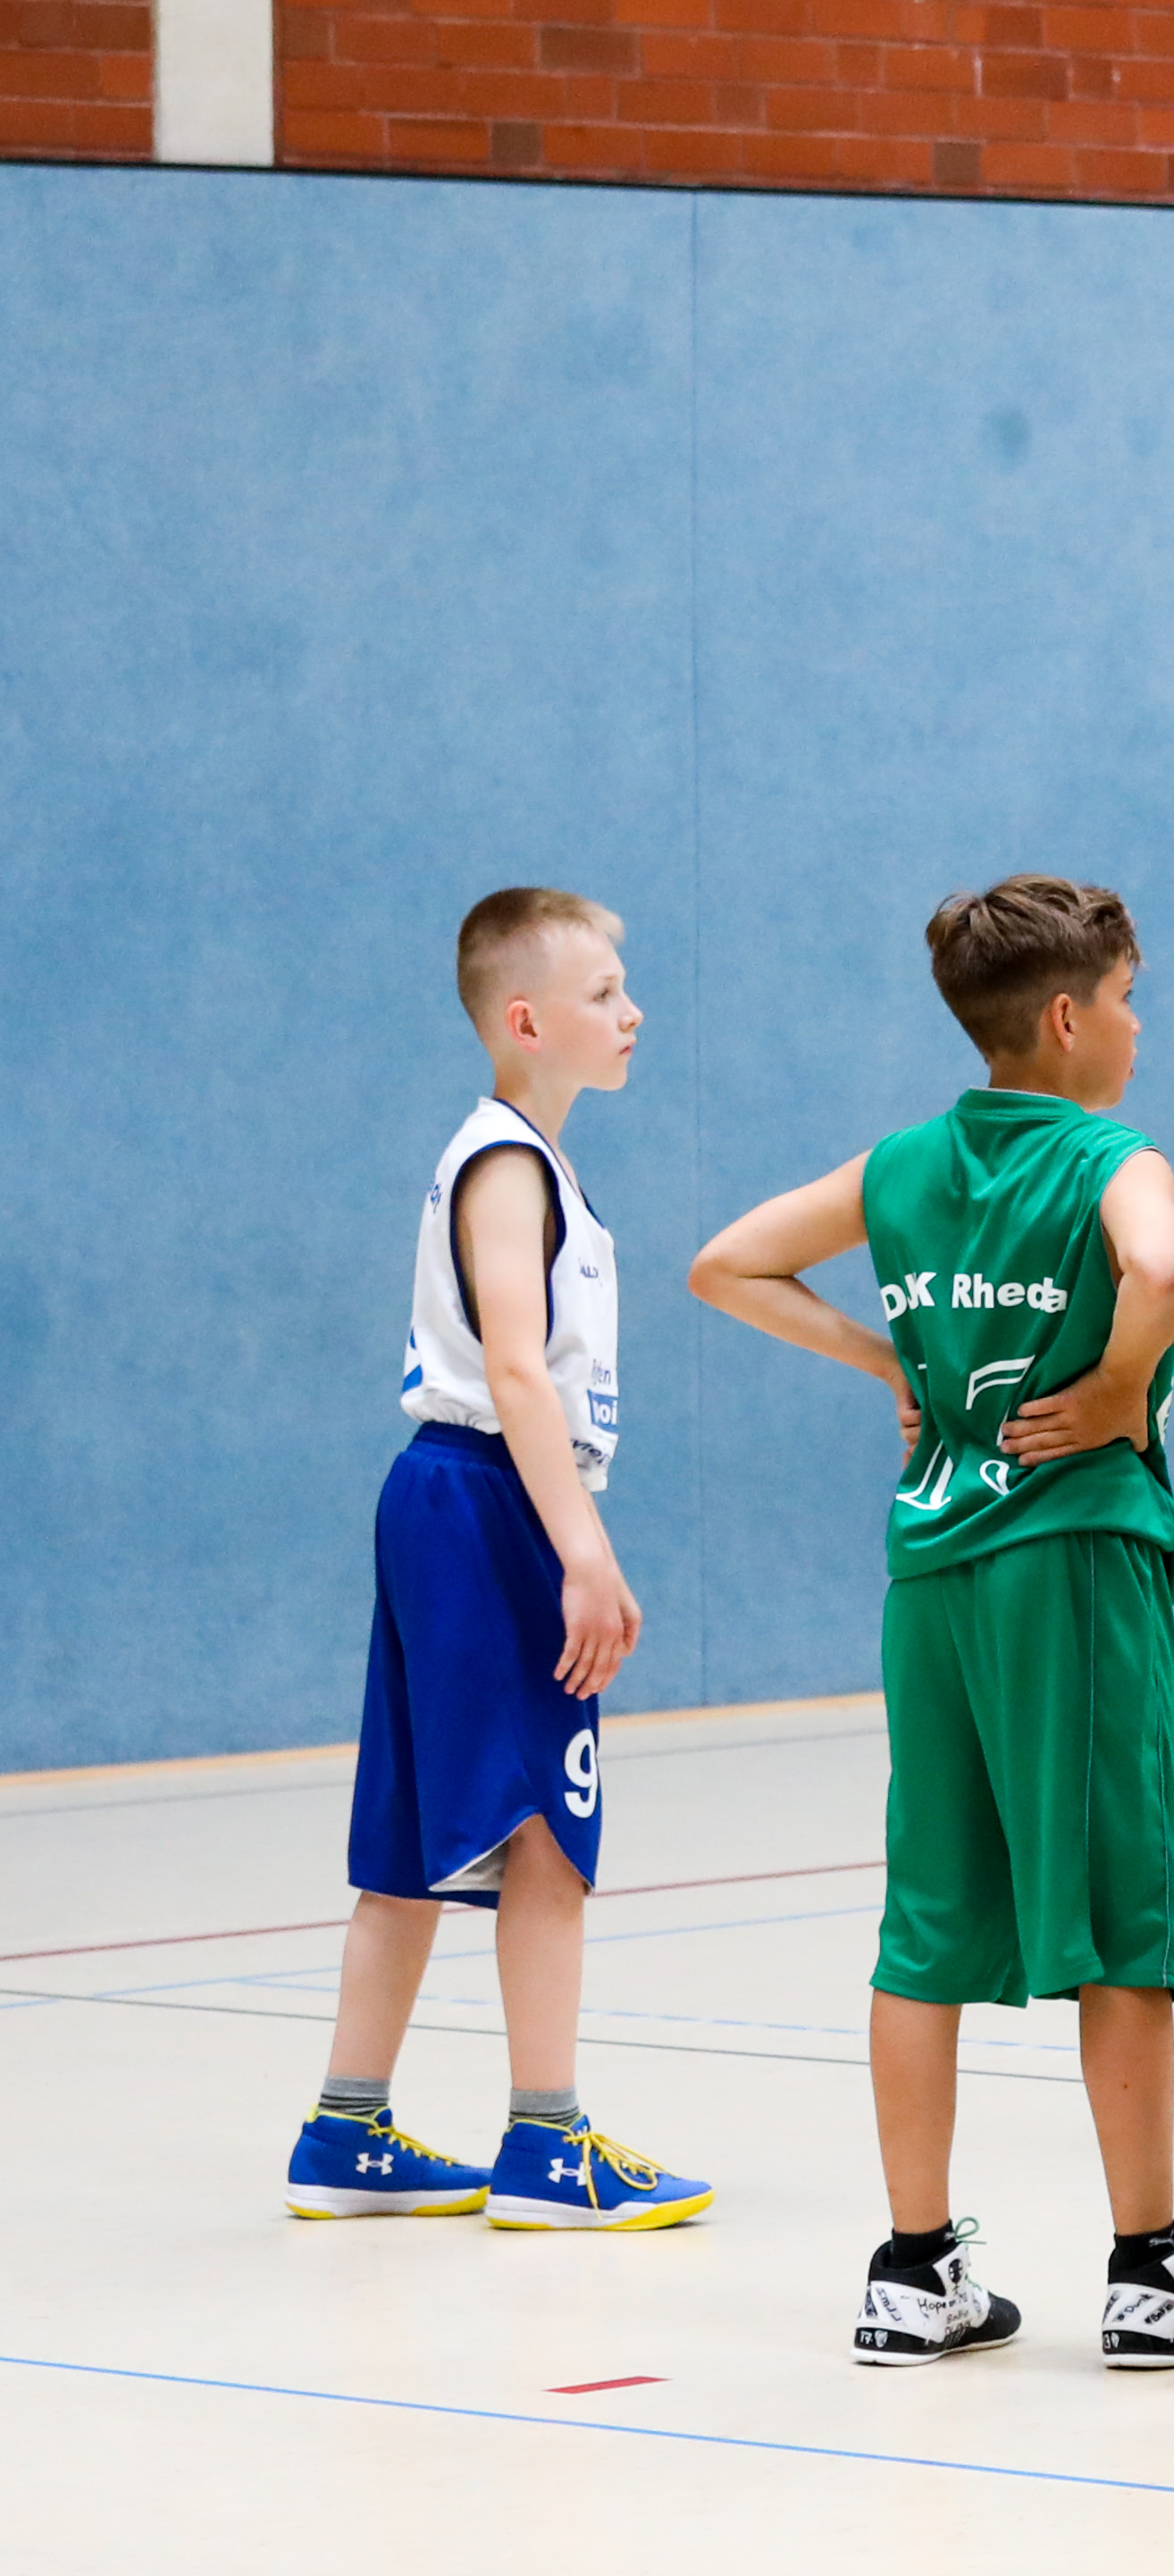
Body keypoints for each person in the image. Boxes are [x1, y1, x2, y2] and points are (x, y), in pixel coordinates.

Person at [683, 877, 1174, 2370]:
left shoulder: (903, 1162)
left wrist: (887, 1362)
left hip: (931, 1568)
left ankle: (914, 2269)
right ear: (1069, 1017)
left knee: (925, 1923)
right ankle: (1149, 2267)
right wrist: (1116, 1388)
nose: (1138, 1023)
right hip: (1073, 1559)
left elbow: (727, 1262)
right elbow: (1166, 1267)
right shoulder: (1113, 1155)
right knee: (1118, 1917)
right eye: (1127, 997)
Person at [287, 891, 717, 2234]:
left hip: (450, 1494)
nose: (632, 1010)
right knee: (547, 1827)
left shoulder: (517, 1159)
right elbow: (517, 1370)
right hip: (490, 1498)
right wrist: (582, 1549)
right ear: (526, 1021)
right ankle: (548, 2140)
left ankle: (344, 2126)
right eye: (603, 992)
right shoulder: (509, 1164)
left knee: (413, 1831)